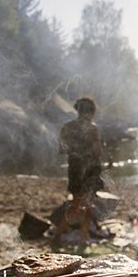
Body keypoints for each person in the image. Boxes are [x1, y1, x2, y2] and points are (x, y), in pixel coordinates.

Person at [53, 97, 104, 244]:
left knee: (82, 203)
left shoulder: (67, 127)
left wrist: (76, 151)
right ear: (90, 111)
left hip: (74, 169)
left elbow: (62, 149)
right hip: (89, 171)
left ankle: (84, 236)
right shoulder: (92, 128)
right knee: (81, 205)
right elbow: (97, 151)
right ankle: (59, 235)